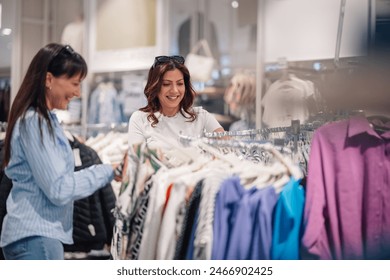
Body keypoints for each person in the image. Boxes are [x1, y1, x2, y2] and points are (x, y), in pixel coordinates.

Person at [0, 43, 123, 260]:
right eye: (75, 84)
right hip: (37, 238)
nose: (77, 92)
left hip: (34, 237)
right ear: (49, 79)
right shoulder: (35, 123)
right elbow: (59, 188)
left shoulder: (42, 121)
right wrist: (106, 171)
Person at [128, 55, 224, 147]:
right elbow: (136, 160)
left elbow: (227, 148)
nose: (174, 90)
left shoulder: (201, 116)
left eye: (180, 83)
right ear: (155, 87)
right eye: (166, 84)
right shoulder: (140, 119)